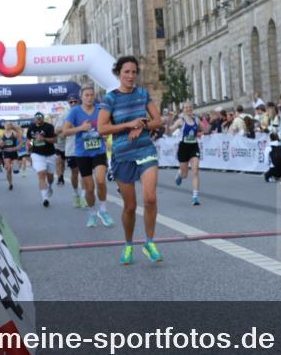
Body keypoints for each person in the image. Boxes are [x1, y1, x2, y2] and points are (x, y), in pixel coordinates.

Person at [98, 56, 163, 264]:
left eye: (134, 72)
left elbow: (158, 121)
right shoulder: (110, 99)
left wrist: (142, 125)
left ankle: (150, 242)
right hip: (122, 155)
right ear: (119, 73)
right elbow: (101, 128)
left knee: (150, 198)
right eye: (126, 72)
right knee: (130, 206)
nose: (131, 76)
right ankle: (128, 244)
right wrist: (128, 125)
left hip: (145, 150)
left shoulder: (143, 94)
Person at [63, 86, 113, 227]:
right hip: (82, 154)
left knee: (100, 180)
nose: (90, 98)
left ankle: (103, 210)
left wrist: (105, 133)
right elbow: (65, 131)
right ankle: (92, 213)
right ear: (82, 97)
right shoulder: (75, 111)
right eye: (87, 95)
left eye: (92, 95)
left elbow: (109, 126)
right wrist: (81, 128)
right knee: (89, 188)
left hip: (99, 151)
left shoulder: (100, 110)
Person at [170, 101, 202, 206]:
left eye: (190, 107)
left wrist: (204, 129)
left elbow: (205, 129)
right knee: (185, 175)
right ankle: (180, 173)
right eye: (186, 107)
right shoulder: (181, 121)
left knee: (195, 171)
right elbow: (170, 130)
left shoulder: (197, 120)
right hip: (183, 148)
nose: (188, 109)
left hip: (194, 147)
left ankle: (195, 197)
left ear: (192, 108)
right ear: (183, 109)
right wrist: (167, 124)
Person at [58, 95, 85, 208]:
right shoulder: (64, 115)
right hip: (71, 148)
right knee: (75, 172)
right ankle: (75, 193)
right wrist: (67, 127)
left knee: (85, 173)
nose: (73, 103)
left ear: (79, 102)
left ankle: (83, 196)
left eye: (75, 101)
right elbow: (57, 131)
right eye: (71, 102)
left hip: (84, 147)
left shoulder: (84, 113)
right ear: (68, 103)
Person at [26, 113, 57, 207]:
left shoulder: (49, 127)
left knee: (50, 177)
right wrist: (29, 145)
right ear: (34, 119)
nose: (38, 119)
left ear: (43, 119)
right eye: (37, 118)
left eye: (40, 118)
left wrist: (43, 139)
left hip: (50, 154)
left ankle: (50, 186)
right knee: (41, 175)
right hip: (37, 154)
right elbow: (30, 139)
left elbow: (55, 140)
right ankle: (45, 198)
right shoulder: (31, 127)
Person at [0, 122, 20, 189]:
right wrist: (1, 145)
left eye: (8, 125)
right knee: (9, 169)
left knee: (15, 169)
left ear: (11, 126)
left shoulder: (14, 133)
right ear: (4, 126)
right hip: (6, 153)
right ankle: (10, 184)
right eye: (6, 125)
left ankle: (15, 168)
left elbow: (21, 142)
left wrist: (18, 147)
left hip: (14, 152)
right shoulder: (2, 135)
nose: (7, 126)